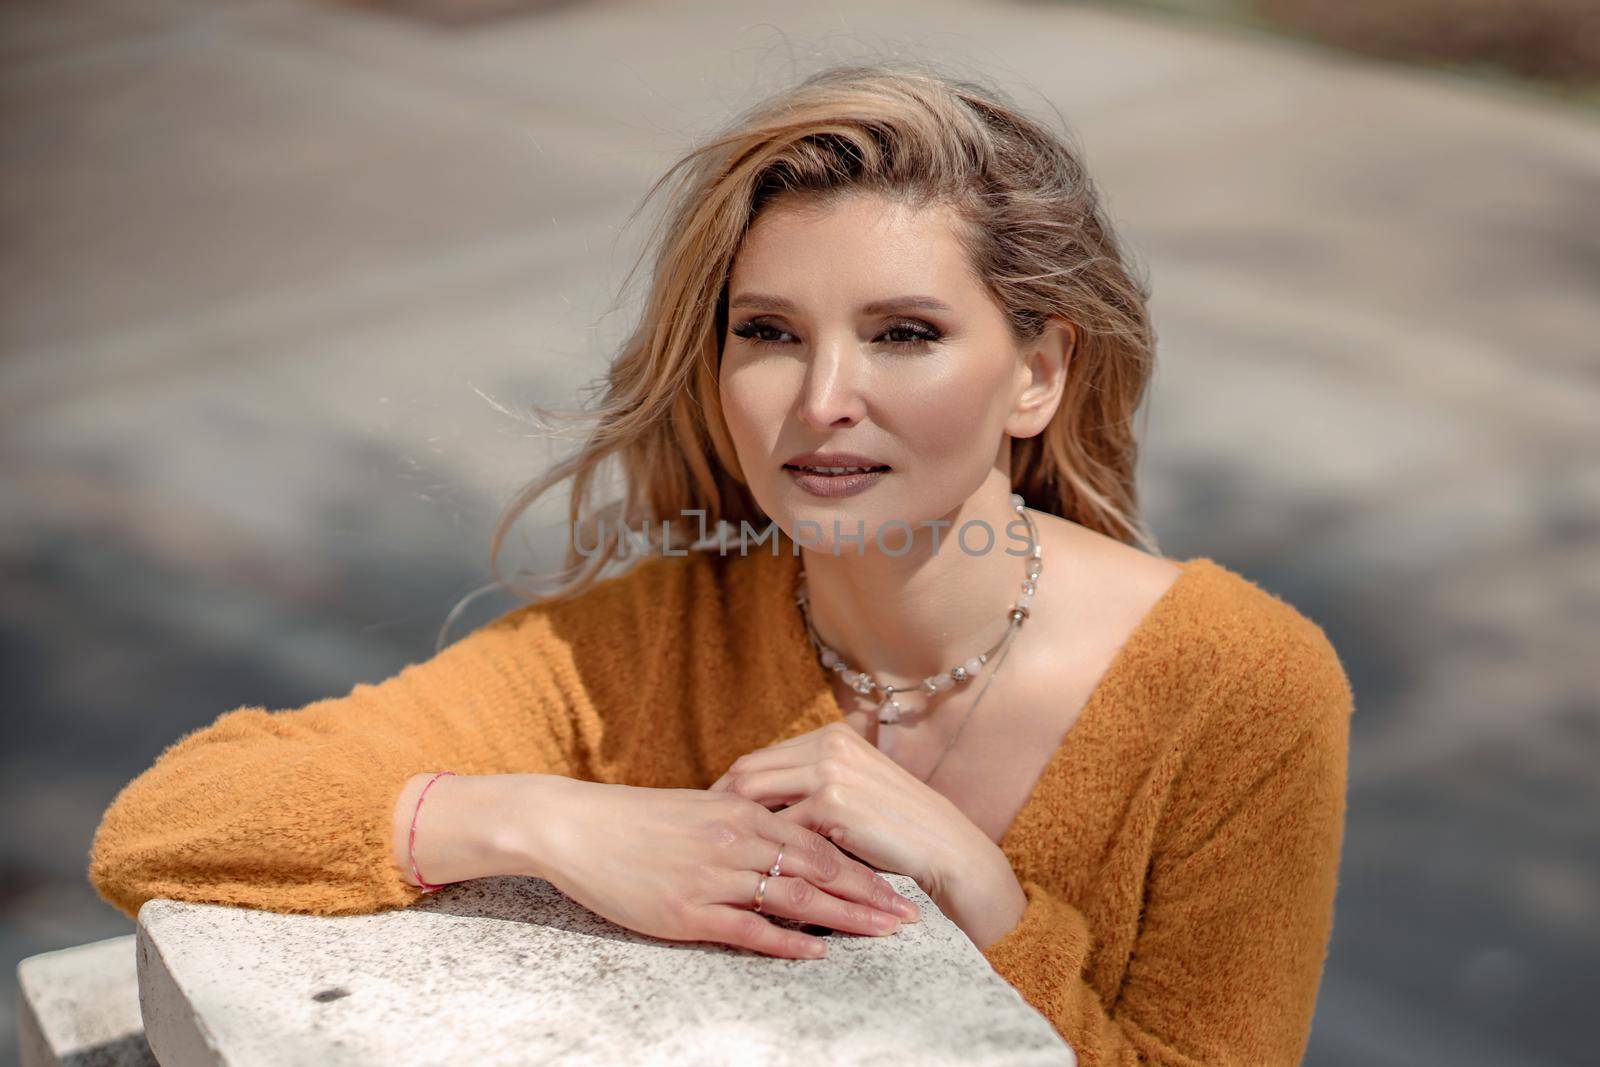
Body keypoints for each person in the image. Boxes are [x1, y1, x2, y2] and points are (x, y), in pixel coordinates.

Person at [88, 62, 1353, 1064]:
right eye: (769, 334)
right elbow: (169, 820)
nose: (823, 400)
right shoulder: (651, 640)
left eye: (904, 333)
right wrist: (549, 817)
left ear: (1037, 372)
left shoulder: (1240, 685)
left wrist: (985, 897)